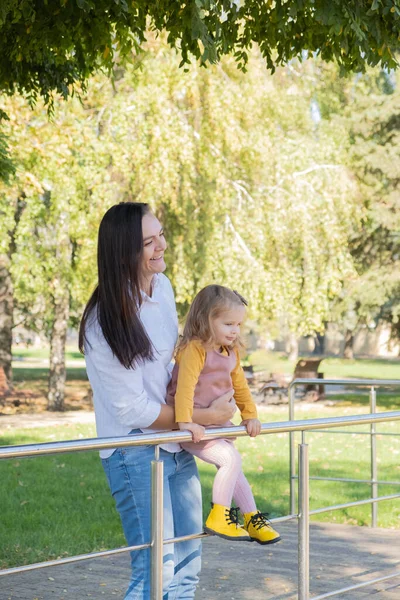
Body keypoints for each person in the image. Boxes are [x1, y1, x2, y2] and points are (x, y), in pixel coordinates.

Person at [78, 202, 235, 600]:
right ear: (124, 253)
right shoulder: (104, 321)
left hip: (177, 442)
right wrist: (204, 416)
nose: (160, 246)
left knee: (187, 566)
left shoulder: (162, 289)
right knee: (156, 571)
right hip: (134, 451)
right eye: (148, 242)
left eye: (160, 235)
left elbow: (174, 362)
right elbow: (131, 409)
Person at [166, 285, 281, 545]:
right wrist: (186, 422)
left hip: (217, 426)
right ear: (206, 320)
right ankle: (220, 516)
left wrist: (250, 415)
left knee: (234, 465)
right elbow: (184, 388)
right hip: (194, 427)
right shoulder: (195, 350)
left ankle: (252, 519)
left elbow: (240, 386)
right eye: (228, 323)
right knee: (230, 459)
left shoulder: (231, 353)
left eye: (239, 325)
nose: (235, 330)